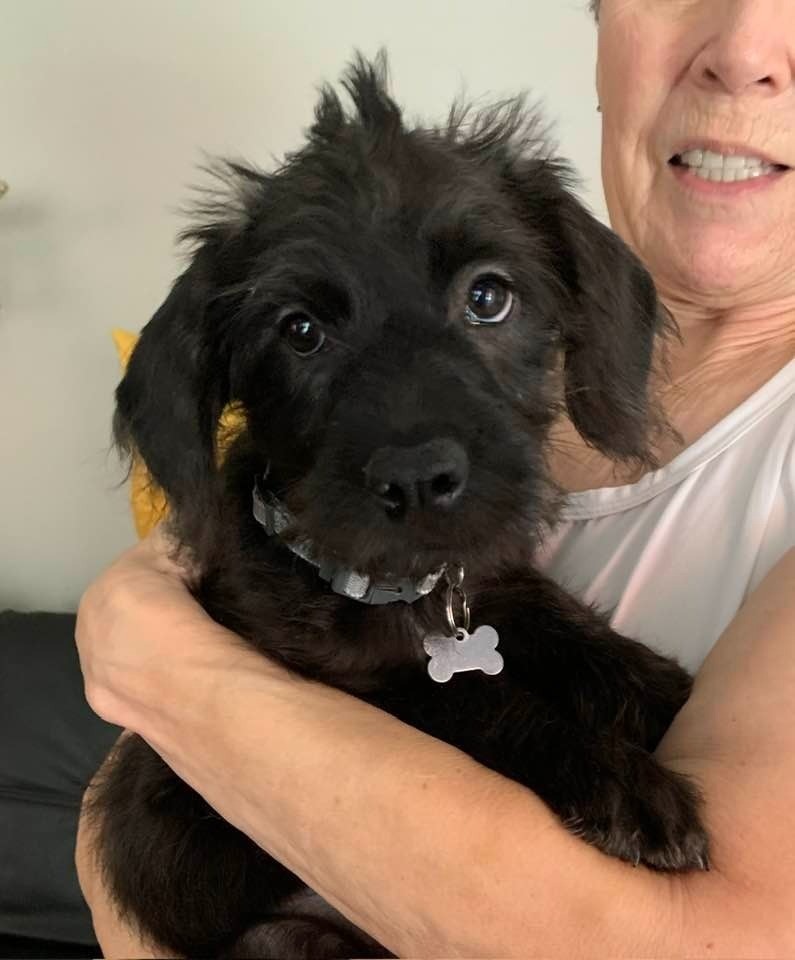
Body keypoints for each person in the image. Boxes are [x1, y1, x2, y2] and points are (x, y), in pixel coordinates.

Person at [74, 0, 795, 955]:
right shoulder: (274, 551)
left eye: (484, 298)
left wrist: (154, 656)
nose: (744, 52)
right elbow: (117, 840)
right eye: (303, 333)